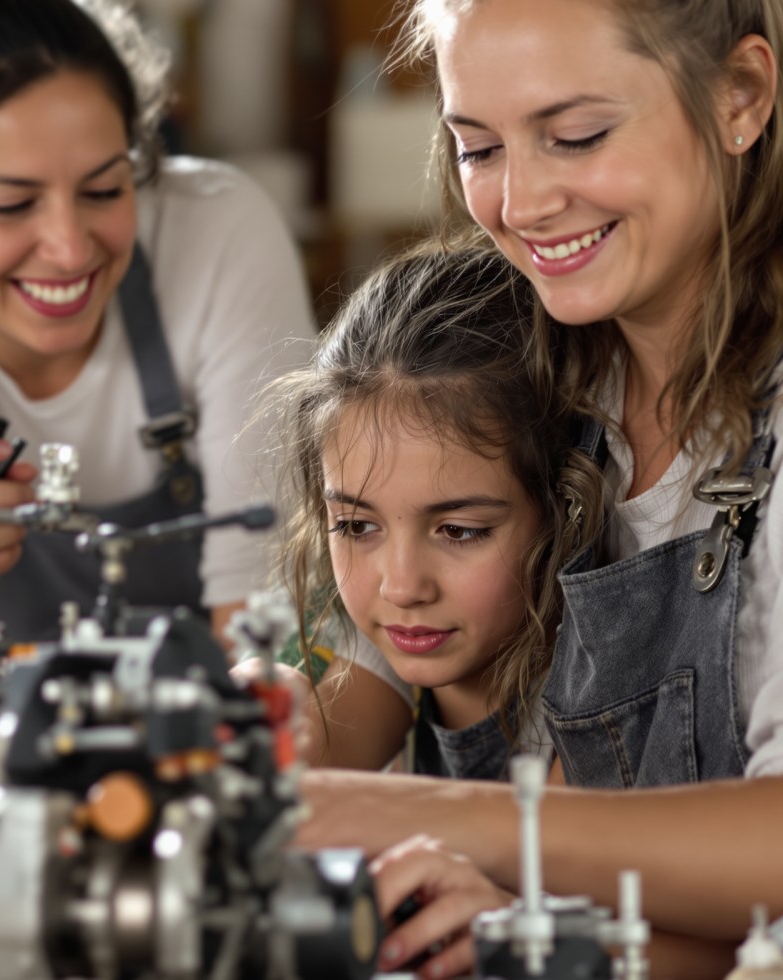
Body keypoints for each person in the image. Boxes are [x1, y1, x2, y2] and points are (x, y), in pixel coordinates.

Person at [292, 0, 783, 977]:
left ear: (742, 94)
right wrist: (276, 734)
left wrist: (419, 815)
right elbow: (360, 665)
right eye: (476, 148)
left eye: (576, 136)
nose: (519, 204)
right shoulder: (517, 350)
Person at [0, 0, 313, 644]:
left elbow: (269, 607)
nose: (72, 247)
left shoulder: (220, 234)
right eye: (11, 204)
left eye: (105, 190)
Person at [259, 246, 603, 780]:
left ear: (565, 507)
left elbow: (544, 846)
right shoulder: (398, 633)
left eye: (459, 531)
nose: (401, 587)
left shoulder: (606, 685)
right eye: (356, 526)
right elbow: (331, 747)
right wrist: (269, 720)